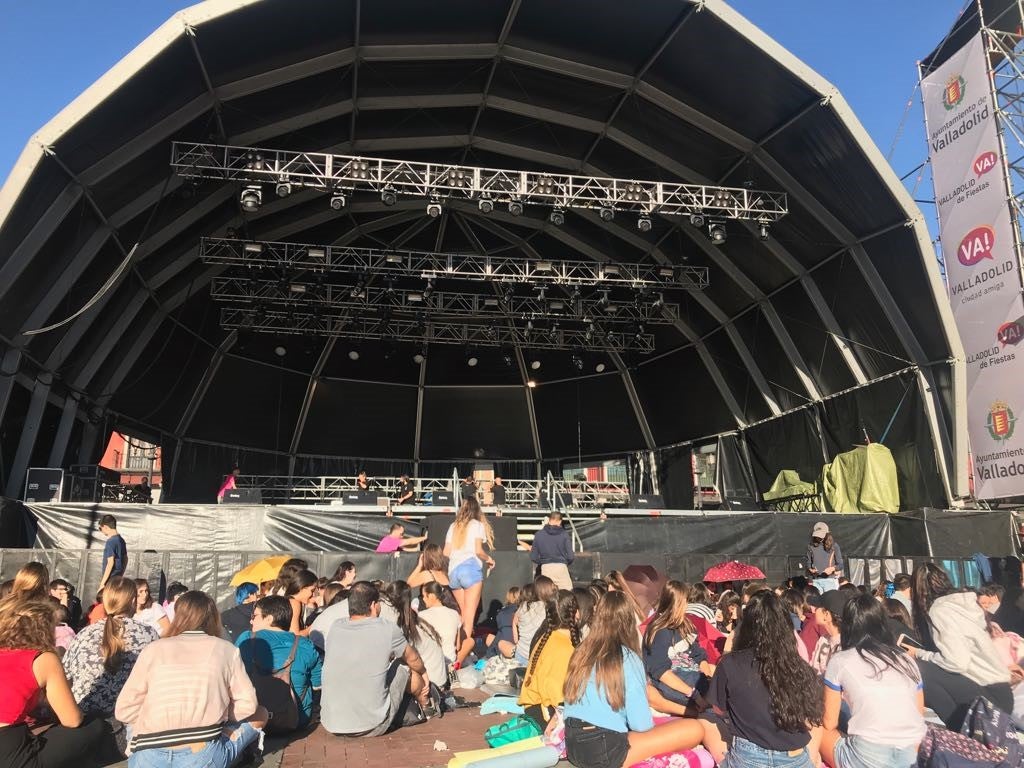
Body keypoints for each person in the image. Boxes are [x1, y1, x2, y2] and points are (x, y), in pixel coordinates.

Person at [115, 591, 267, 765]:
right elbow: (248, 705)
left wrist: (158, 719)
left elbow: (124, 709)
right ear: (213, 618)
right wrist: (218, 714)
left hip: (147, 756)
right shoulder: (226, 649)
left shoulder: (153, 649)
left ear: (178, 616)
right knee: (261, 713)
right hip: (203, 755)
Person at [563, 591, 703, 768]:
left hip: (574, 744)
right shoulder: (628, 658)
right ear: (629, 621)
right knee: (694, 729)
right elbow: (641, 725)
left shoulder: (581, 652)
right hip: (606, 750)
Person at [699, 591, 824, 767]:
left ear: (746, 625)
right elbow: (812, 718)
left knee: (705, 720)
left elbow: (719, 710)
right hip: (796, 757)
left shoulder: (730, 663)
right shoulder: (800, 667)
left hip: (747, 757)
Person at [820, 593, 924, 768]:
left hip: (866, 757)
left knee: (816, 728)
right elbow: (918, 715)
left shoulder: (840, 661)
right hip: (910, 756)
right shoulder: (907, 661)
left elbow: (829, 722)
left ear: (847, 625)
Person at [0, 599, 108, 768]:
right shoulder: (43, 659)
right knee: (95, 725)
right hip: (10, 751)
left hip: (12, 737)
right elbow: (72, 720)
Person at [62, 577, 159, 754]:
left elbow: (65, 678)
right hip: (127, 729)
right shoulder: (148, 634)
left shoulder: (84, 634)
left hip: (83, 728)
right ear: (132, 601)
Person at [909, 562, 1012, 728]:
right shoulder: (965, 603)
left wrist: (918, 654)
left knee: (921, 670)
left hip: (988, 701)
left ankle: (962, 731)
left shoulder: (940, 610)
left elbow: (957, 662)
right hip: (1002, 693)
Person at [320, 581, 428, 737]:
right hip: (373, 726)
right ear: (373, 605)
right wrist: (424, 672)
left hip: (332, 724)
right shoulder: (387, 628)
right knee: (403, 665)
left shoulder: (336, 627)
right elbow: (413, 659)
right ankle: (425, 704)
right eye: (379, 603)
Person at [236, 595, 322, 731]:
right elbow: (318, 685)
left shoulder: (246, 639)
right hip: (298, 720)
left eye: (255, 616)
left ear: (269, 618)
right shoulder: (305, 645)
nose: (251, 621)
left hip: (252, 720)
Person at [642, 581, 713, 714]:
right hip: (677, 687)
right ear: (678, 603)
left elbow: (699, 655)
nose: (687, 606)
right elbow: (660, 672)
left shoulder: (686, 625)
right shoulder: (660, 632)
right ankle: (692, 712)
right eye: (685, 601)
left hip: (693, 681)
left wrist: (709, 683)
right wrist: (695, 695)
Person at [519, 590, 582, 728]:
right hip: (545, 714)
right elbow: (557, 696)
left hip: (534, 707)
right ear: (576, 613)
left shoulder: (547, 637)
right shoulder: (563, 647)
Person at [385, 581, 444, 715]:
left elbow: (406, 657)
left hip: (430, 681)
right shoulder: (413, 618)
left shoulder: (401, 622)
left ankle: (426, 705)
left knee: (400, 666)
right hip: (439, 676)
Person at [443, 497, 495, 639]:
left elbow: (445, 553)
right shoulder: (477, 525)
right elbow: (478, 551)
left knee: (462, 614)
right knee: (470, 617)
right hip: (470, 569)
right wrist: (489, 559)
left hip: (453, 571)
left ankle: (457, 646)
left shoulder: (453, 526)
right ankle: (465, 653)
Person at [420, 582, 474, 668]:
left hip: (430, 665)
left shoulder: (421, 616)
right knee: (470, 641)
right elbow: (458, 646)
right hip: (450, 662)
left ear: (431, 596)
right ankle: (455, 667)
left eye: (423, 596)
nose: (422, 599)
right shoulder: (455, 614)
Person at [515, 576, 557, 666]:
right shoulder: (549, 608)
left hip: (521, 654)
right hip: (538, 658)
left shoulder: (524, 605)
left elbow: (514, 621)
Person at [530, 511, 575, 591]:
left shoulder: (539, 534)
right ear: (560, 521)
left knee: (547, 596)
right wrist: (564, 562)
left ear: (549, 520)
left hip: (546, 568)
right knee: (567, 595)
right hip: (561, 567)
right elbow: (571, 556)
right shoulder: (564, 534)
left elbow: (533, 557)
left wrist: (543, 561)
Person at [810, 589, 849, 676]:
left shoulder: (846, 644)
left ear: (826, 615)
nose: (813, 610)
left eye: (817, 608)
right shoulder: (823, 639)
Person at [284, 569, 318, 635]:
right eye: (312, 590)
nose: (313, 594)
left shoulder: (288, 600)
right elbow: (296, 635)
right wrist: (315, 624)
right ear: (302, 588)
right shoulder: (294, 603)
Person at [98, 515, 127, 590]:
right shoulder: (121, 540)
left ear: (105, 527)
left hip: (110, 578)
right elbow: (125, 559)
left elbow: (110, 562)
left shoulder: (110, 542)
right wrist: (121, 574)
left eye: (100, 528)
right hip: (118, 578)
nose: (101, 531)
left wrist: (102, 583)